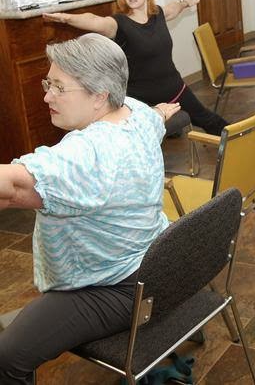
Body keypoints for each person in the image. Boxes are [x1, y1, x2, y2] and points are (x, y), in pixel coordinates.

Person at [0, 33, 180, 384]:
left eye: (59, 87)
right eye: (48, 83)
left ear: (100, 95)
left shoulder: (87, 154)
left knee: (7, 356)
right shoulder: (137, 112)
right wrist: (161, 111)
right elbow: (157, 117)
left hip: (114, 286)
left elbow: (12, 188)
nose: (47, 96)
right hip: (158, 262)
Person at [43, 0, 227, 135]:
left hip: (175, 90)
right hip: (141, 101)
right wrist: (67, 18)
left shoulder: (158, 14)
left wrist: (184, 2)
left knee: (209, 120)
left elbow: (173, 8)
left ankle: (239, 142)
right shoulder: (118, 24)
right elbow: (95, 21)